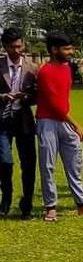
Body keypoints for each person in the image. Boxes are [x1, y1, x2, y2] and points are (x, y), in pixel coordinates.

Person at [36, 32, 83, 221]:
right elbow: (54, 103)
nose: (71, 52)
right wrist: (75, 125)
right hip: (48, 121)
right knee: (48, 164)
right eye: (66, 49)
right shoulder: (45, 71)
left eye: (71, 48)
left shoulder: (66, 69)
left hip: (64, 121)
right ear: (54, 50)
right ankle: (51, 207)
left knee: (75, 161)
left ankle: (82, 204)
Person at [0, 27, 38, 219]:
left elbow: (38, 96)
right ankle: (6, 197)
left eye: (19, 46)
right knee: (4, 160)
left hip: (23, 120)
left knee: (29, 163)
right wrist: (3, 96)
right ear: (5, 46)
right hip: (3, 120)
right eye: (12, 47)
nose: (17, 50)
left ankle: (27, 204)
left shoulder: (32, 68)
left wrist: (26, 97)